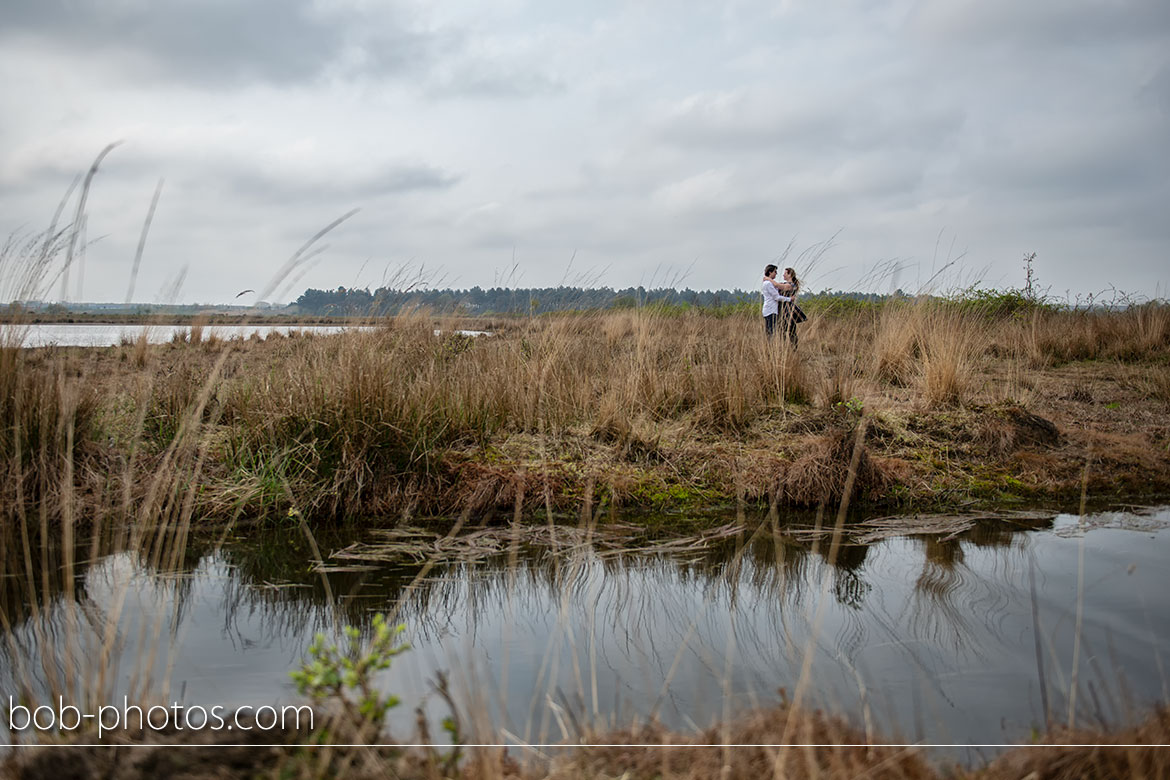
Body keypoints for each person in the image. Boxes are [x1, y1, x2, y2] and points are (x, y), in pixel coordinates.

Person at [762, 264, 799, 343]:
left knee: (791, 330)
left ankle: (793, 348)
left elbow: (776, 285)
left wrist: (768, 278)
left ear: (790, 275)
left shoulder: (791, 285)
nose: (783, 275)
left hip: (788, 309)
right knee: (781, 330)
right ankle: (784, 347)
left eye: (785, 273)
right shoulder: (784, 283)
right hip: (781, 309)